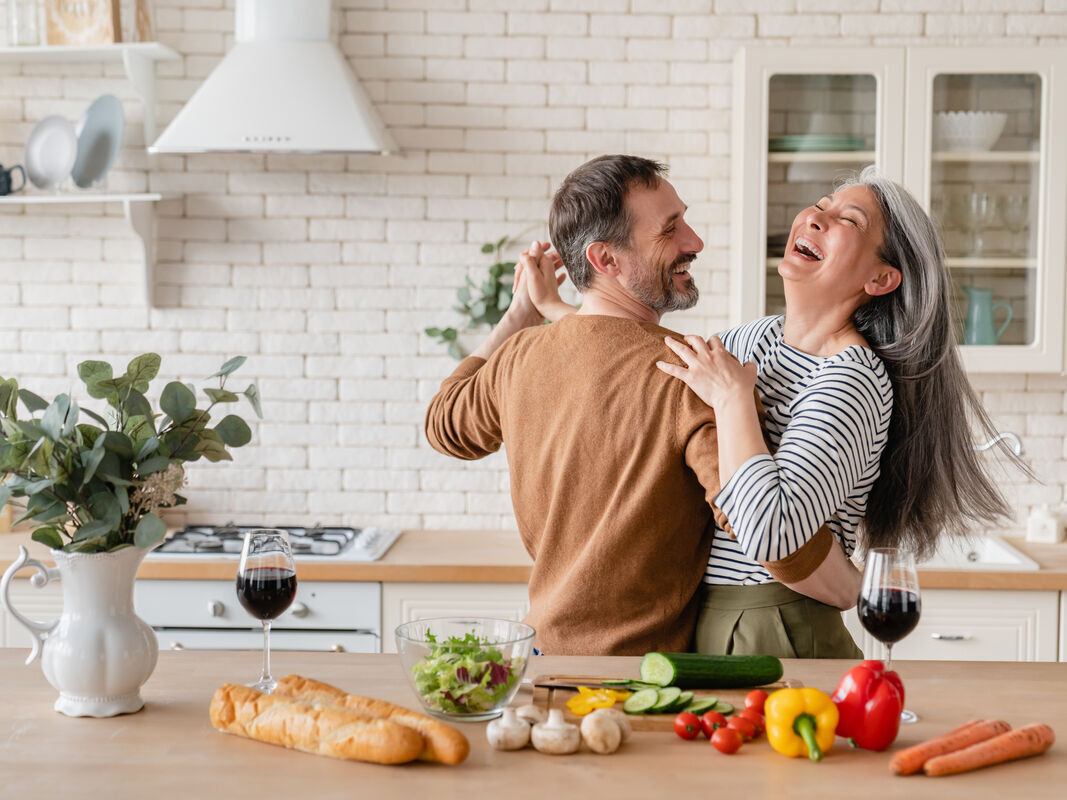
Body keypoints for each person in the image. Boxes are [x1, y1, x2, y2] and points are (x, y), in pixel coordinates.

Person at [526, 164, 1018, 658]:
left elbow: (771, 532)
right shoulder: (752, 339)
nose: (816, 218)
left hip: (779, 623)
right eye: (821, 205)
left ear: (881, 277)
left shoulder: (852, 379)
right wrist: (555, 308)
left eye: (849, 220)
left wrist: (735, 400)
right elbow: (647, 363)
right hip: (706, 619)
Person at [425, 154, 806, 656]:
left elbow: (443, 424)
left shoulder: (519, 357)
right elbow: (765, 531)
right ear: (605, 260)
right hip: (641, 681)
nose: (695, 241)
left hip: (541, 661)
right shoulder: (692, 374)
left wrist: (518, 315)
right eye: (670, 230)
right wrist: (847, 582)